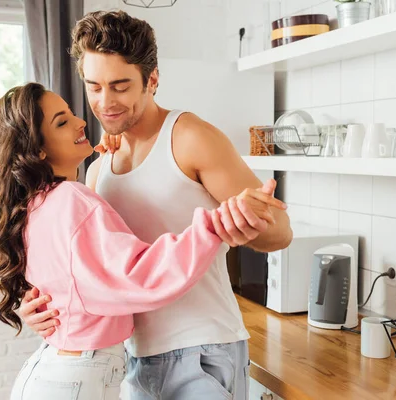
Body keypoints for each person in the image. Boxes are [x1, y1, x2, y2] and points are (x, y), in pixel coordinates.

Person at [18, 10, 293, 400]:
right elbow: (97, 273)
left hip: (202, 348)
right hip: (131, 358)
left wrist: (246, 223)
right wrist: (43, 309)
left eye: (119, 86)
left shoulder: (189, 137)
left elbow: (281, 233)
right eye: (94, 86)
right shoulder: (97, 169)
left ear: (152, 80)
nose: (104, 102)